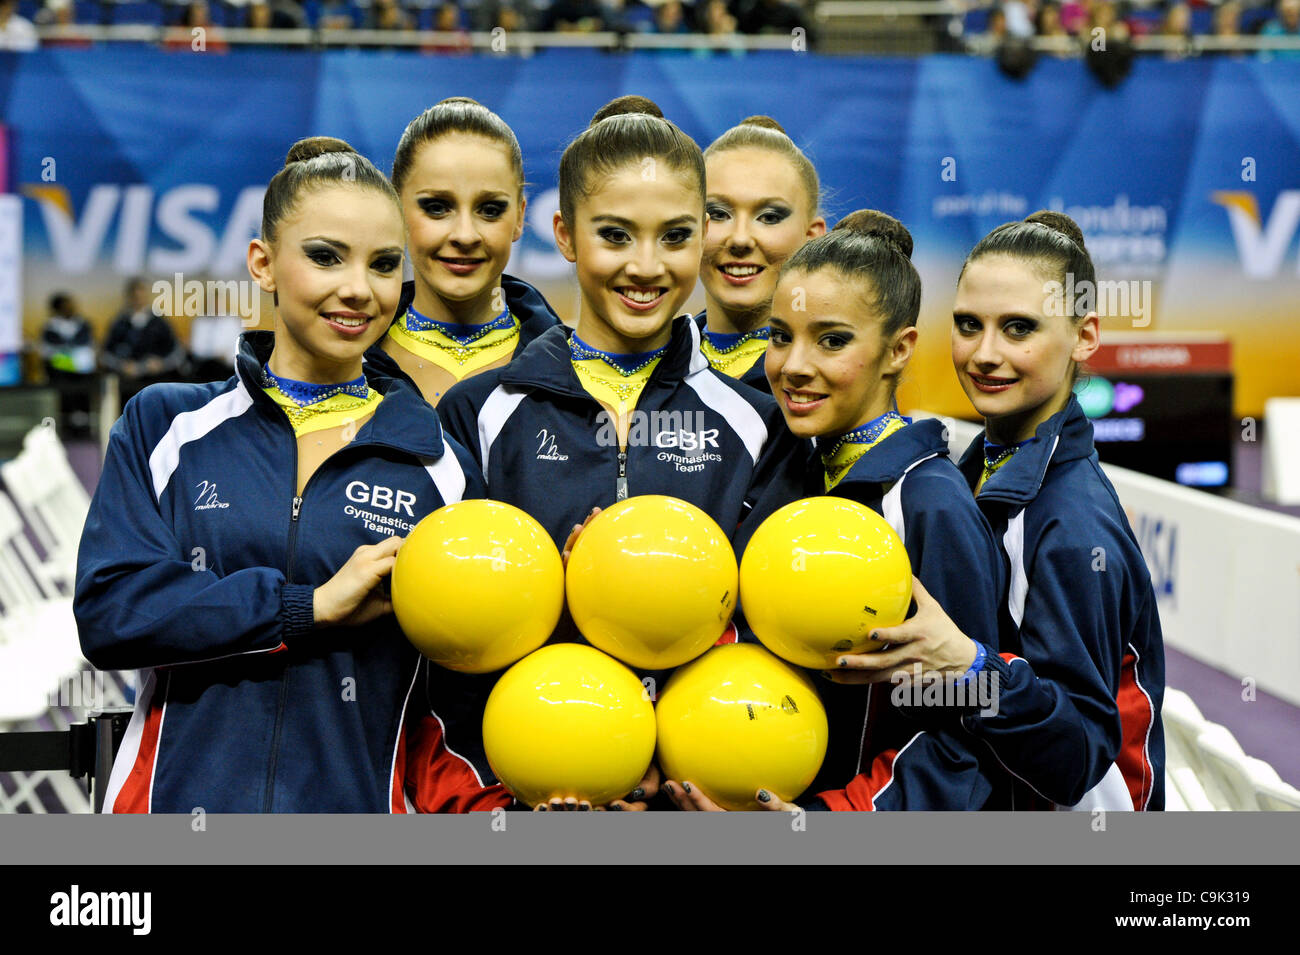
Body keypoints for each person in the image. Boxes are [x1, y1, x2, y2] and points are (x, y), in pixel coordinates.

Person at [74, 137, 508, 814]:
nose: (358, 288)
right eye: (326, 256)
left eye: (384, 264)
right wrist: (308, 607)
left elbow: (455, 703)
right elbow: (111, 614)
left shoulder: (443, 469)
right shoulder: (166, 426)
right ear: (264, 262)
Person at [436, 95, 806, 810]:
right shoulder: (479, 412)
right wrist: (555, 600)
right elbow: (447, 647)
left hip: (701, 801)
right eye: (614, 235)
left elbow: (779, 632)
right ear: (565, 235)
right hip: (531, 793)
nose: (646, 266)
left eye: (673, 237)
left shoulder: (760, 420)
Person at [667, 211, 1007, 811]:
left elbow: (961, 740)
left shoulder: (930, 505)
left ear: (899, 349)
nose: (794, 365)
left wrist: (827, 823)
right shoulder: (782, 466)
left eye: (831, 340)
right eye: (779, 335)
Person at [835, 211, 1165, 810]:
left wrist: (969, 668)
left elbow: (1079, 756)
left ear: (1085, 336)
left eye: (1018, 329)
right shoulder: (982, 468)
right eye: (968, 325)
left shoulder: (1070, 526)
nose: (985, 354)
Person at [364, 97, 560, 406]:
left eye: (490, 210)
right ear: (395, 210)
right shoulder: (345, 364)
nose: (465, 235)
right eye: (437, 208)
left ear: (520, 218)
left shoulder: (573, 370)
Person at [696, 116, 825, 391]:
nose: (740, 239)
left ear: (811, 237)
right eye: (718, 214)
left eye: (769, 217)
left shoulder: (835, 375)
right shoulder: (651, 363)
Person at [101, 277, 188, 402]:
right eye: (135, 296)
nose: (138, 300)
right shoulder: (119, 323)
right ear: (129, 297)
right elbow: (105, 354)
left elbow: (177, 353)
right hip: (127, 385)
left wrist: (161, 364)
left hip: (156, 384)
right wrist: (121, 365)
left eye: (141, 296)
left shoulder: (160, 322)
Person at [39, 292, 96, 437]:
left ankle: (83, 429)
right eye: (65, 306)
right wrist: (70, 359)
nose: (69, 308)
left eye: (71, 305)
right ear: (57, 308)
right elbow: (47, 354)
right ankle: (64, 430)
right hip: (59, 376)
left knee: (82, 404)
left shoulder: (83, 325)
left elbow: (88, 353)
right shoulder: (49, 327)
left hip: (82, 376)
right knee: (63, 403)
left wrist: (66, 357)